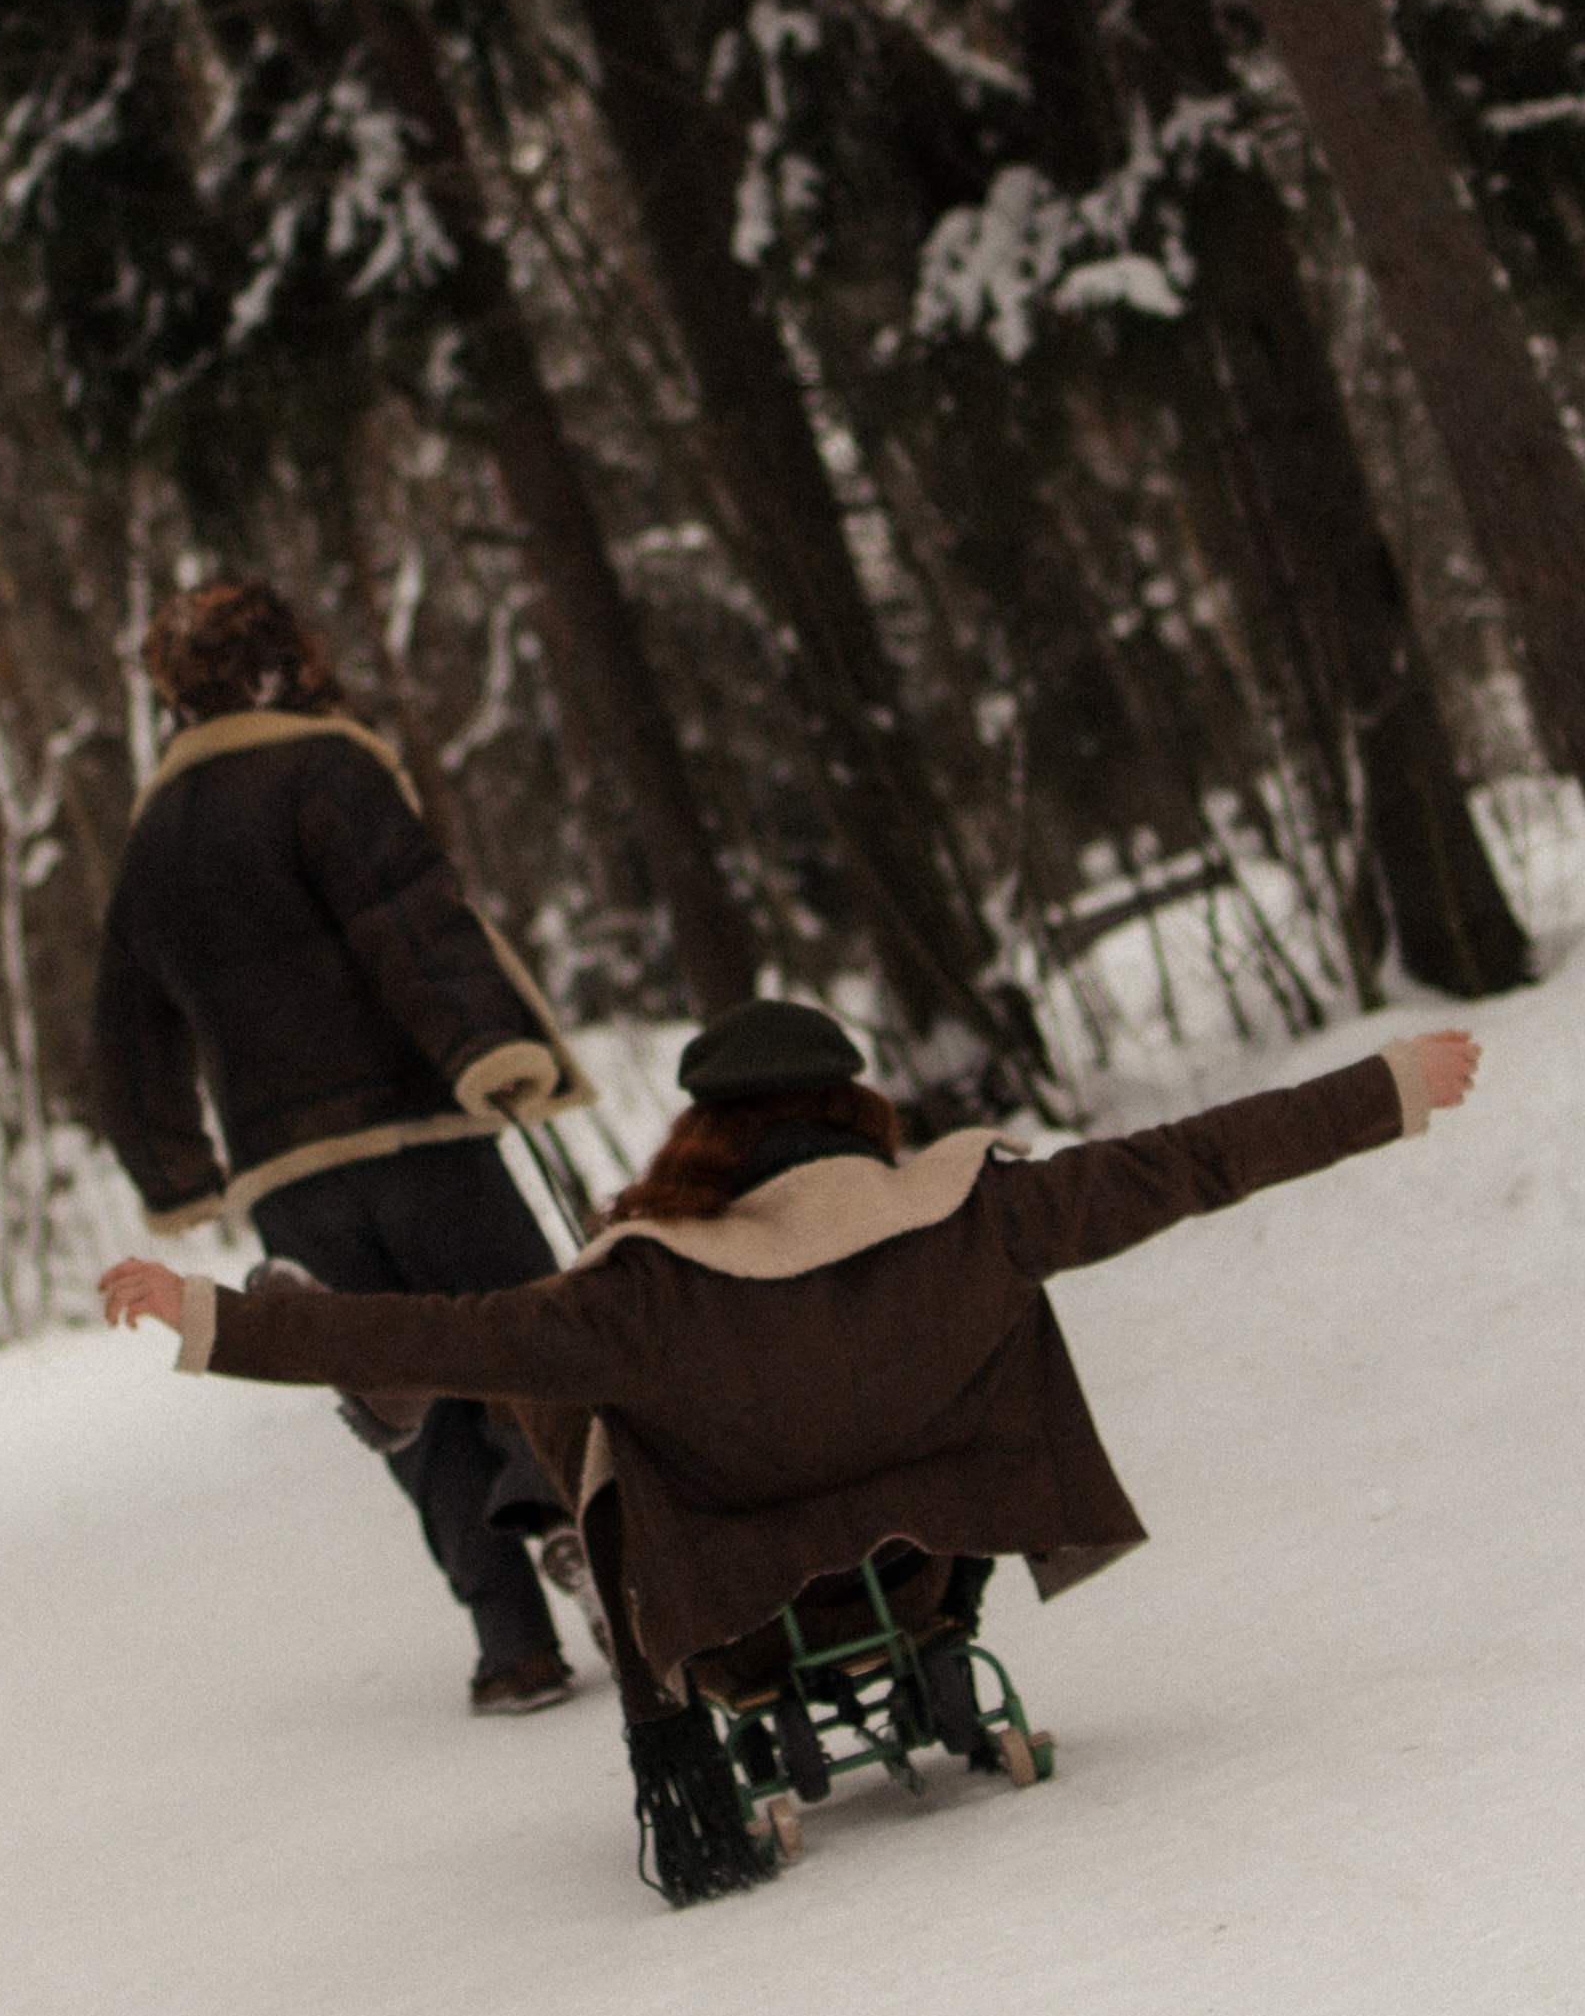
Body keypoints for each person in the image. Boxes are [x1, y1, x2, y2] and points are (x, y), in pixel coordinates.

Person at [103, 992, 1479, 1892]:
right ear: (859, 1113)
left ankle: (669, 1730)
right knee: (986, 1350)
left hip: (737, 1630)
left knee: (550, 1371)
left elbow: (437, 1334)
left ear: (706, 1142)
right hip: (937, 1569)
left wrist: (218, 1321)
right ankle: (937, 1654)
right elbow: (1191, 1159)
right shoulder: (976, 1215)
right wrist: (1386, 1087)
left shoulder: (644, 1291)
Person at [94, 574, 601, 1714]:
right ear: (285, 662)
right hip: (419, 1131)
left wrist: (175, 1168)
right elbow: (410, 923)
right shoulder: (326, 767)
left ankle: (510, 1645)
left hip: (289, 1179)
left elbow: (125, 1024)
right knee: (523, 1339)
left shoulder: (154, 839)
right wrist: (484, 1050)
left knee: (395, 1397)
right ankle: (579, 1529)